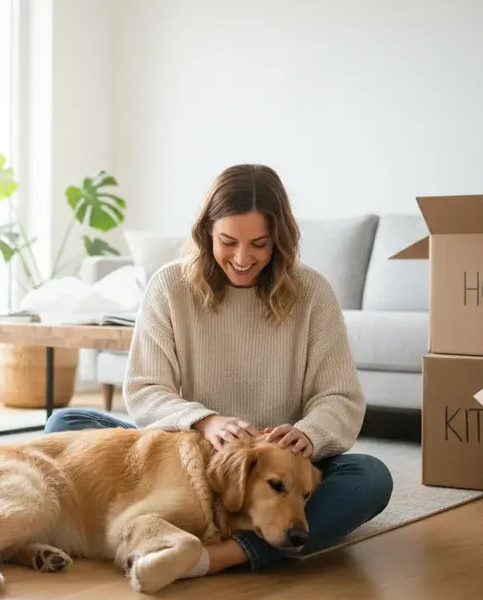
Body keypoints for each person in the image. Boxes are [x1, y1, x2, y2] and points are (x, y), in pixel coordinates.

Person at [45, 163, 393, 576]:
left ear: (280, 240)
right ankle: (180, 532)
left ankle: (214, 556)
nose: (242, 259)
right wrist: (204, 421)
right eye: (227, 242)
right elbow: (145, 388)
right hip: (187, 464)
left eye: (260, 244)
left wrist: (309, 434)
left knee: (370, 477)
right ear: (206, 232)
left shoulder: (312, 292)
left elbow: (340, 396)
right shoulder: (169, 285)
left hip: (275, 472)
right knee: (67, 423)